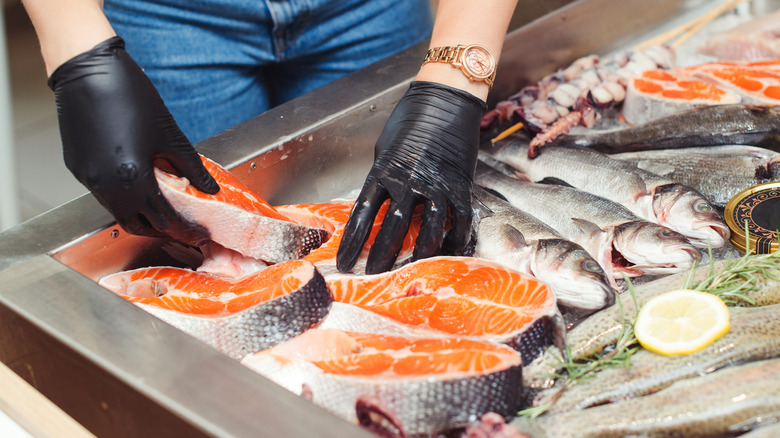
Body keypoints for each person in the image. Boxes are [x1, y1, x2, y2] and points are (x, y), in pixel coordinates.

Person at [22, 0, 518, 273]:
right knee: (201, 250)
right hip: (168, 16)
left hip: (371, 10)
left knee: (396, 223)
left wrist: (459, 77)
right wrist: (76, 48)